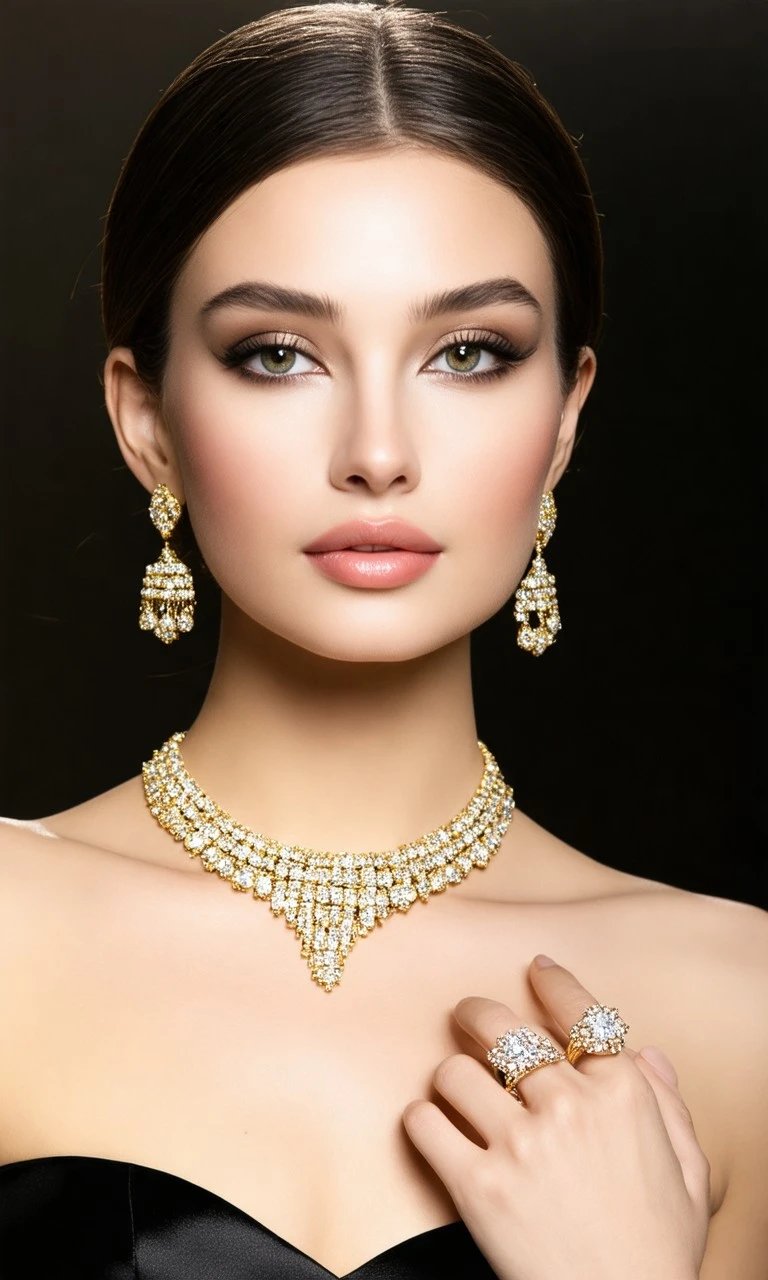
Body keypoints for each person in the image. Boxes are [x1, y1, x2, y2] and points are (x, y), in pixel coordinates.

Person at [0, 3, 765, 1277]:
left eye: (469, 352)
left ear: (565, 416)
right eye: (279, 354)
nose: (378, 454)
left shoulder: (740, 1006)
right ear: (146, 419)